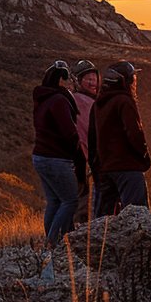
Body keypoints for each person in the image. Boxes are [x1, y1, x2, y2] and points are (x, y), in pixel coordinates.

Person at [88, 61, 150, 215]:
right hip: (128, 166)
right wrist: (144, 156)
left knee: (105, 217)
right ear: (126, 81)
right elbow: (135, 133)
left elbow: (92, 138)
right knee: (137, 214)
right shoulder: (124, 101)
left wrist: (96, 165)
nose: (134, 82)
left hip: (106, 167)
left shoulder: (98, 103)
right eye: (133, 78)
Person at [32, 60, 81, 249]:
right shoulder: (59, 100)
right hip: (57, 158)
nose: (71, 83)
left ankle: (51, 241)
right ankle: (53, 242)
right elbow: (69, 132)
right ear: (61, 80)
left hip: (40, 156)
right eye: (68, 79)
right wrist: (77, 153)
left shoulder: (43, 99)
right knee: (70, 200)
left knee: (54, 201)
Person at [70, 60, 99, 224]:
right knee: (84, 201)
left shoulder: (83, 100)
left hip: (80, 158)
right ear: (78, 81)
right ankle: (80, 232)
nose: (93, 82)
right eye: (88, 79)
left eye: (94, 78)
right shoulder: (81, 101)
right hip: (83, 158)